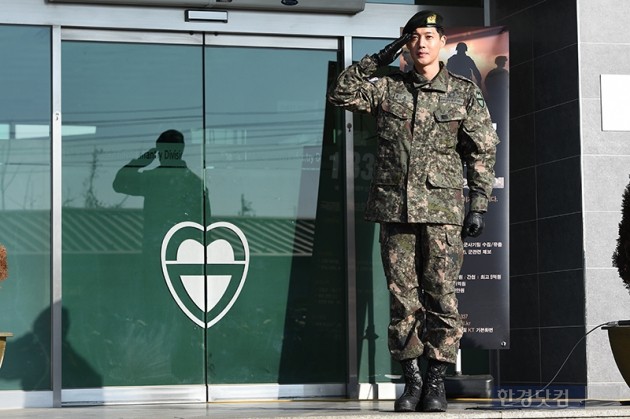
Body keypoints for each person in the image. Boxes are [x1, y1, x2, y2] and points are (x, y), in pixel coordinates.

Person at [328, 11, 498, 413]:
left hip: (442, 212)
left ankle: (437, 382)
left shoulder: (464, 92)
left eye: (428, 36)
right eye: (413, 37)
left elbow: (483, 151)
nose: (421, 43)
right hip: (395, 210)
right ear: (405, 45)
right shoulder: (387, 89)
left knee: (441, 298)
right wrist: (377, 59)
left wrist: (478, 204)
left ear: (442, 42)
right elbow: (341, 93)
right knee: (403, 300)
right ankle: (412, 382)